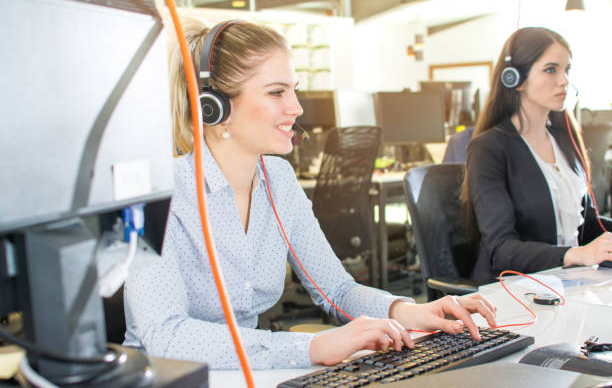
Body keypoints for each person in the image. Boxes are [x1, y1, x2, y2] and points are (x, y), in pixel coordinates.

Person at [123, 18, 497, 370]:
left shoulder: (279, 181)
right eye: (276, 92)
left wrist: (406, 311)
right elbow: (165, 336)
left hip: (245, 374)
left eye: (294, 90)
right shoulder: (162, 194)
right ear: (214, 106)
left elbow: (334, 288)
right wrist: (313, 347)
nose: (296, 108)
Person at [462, 27, 612, 284]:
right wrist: (577, 254)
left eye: (567, 70)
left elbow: (585, 226)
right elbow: (502, 250)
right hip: (515, 291)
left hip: (570, 282)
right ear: (515, 79)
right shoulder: (489, 148)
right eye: (551, 69)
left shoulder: (565, 139)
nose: (564, 80)